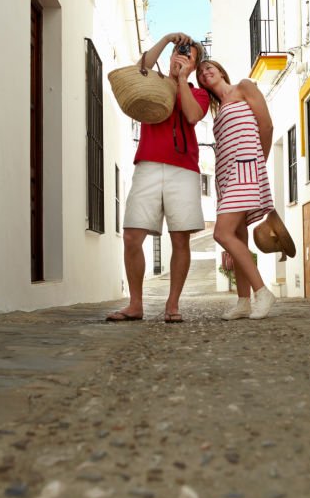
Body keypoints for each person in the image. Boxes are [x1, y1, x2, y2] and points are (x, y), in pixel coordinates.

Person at [107, 33, 209, 324]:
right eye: (179, 52)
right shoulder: (154, 81)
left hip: (184, 170)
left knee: (180, 239)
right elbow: (141, 66)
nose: (181, 56)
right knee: (131, 236)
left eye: (187, 54)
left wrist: (182, 79)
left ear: (194, 63)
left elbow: (191, 116)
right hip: (148, 165)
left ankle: (172, 304)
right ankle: (135, 304)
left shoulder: (196, 92)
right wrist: (166, 40)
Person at [196, 60, 277, 320]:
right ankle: (243, 302)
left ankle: (262, 292)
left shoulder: (244, 87)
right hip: (225, 175)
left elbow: (267, 126)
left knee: (222, 233)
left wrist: (258, 163)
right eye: (200, 72)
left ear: (221, 70)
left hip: (245, 169)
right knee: (238, 239)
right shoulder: (217, 111)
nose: (205, 71)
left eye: (209, 67)